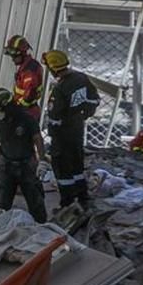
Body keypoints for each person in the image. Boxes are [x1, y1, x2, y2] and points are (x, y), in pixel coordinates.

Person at [42, 49, 100, 207]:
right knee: (77, 165)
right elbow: (94, 100)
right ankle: (83, 198)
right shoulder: (81, 78)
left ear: (53, 68)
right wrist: (84, 115)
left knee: (62, 169)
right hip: (77, 128)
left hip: (62, 134)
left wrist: (53, 134)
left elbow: (55, 116)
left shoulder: (60, 89)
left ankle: (67, 203)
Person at [0, 87, 47, 223]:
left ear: (8, 107)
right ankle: (3, 228)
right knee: (2, 202)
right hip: (6, 165)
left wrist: (42, 161)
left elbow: (38, 139)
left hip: (27, 166)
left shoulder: (27, 119)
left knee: (35, 201)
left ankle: (42, 227)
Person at [4, 35, 44, 121]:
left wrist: (15, 108)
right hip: (24, 111)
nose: (12, 59)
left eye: (14, 56)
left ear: (22, 53)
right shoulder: (25, 67)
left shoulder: (29, 71)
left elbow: (29, 96)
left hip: (27, 114)